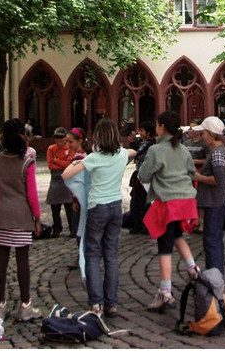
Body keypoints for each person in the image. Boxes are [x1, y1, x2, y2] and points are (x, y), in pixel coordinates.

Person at [63, 118, 135, 317]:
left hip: (97, 208)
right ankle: (111, 303)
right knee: (111, 254)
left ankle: (96, 303)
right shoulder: (121, 155)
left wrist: (78, 162)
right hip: (115, 207)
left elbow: (66, 174)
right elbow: (133, 152)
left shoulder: (93, 158)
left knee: (93, 254)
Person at [137, 111, 198, 312]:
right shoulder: (183, 149)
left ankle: (165, 292)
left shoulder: (156, 150)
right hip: (186, 201)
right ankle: (193, 269)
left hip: (167, 201)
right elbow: (190, 172)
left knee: (164, 246)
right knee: (177, 235)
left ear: (162, 127)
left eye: (156, 125)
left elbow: (144, 176)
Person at [0, 118, 43, 322]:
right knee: (22, 260)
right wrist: (37, 218)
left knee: (1, 260)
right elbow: (32, 194)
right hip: (21, 215)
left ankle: (0, 304)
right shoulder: (26, 162)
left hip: (3, 213)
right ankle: (25, 304)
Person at [191, 116, 225, 274]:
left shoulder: (217, 153)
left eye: (204, 133)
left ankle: (215, 274)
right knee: (212, 239)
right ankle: (214, 273)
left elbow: (220, 179)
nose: (202, 137)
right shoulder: (217, 151)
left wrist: (199, 178)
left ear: (211, 134)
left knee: (212, 240)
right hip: (213, 201)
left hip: (215, 202)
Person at [46, 127, 75, 238]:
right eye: (56, 137)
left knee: (69, 206)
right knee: (55, 206)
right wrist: (62, 163)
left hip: (67, 180)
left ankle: (73, 228)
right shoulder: (51, 149)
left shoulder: (70, 148)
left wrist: (57, 160)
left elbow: (70, 164)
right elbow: (50, 165)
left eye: (61, 137)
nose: (58, 139)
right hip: (55, 180)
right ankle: (57, 227)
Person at [127, 121, 155, 234]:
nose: (140, 133)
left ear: (148, 133)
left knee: (140, 201)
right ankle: (139, 223)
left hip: (144, 177)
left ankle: (142, 224)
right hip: (141, 175)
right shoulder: (146, 143)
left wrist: (133, 144)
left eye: (142, 131)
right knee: (138, 200)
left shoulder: (150, 144)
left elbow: (138, 154)